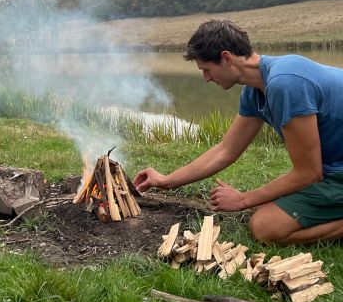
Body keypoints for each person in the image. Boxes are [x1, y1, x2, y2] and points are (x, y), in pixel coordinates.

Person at [133, 19, 343, 245]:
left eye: (206, 69)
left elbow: (308, 173)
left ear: (226, 58)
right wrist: (166, 181)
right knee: (265, 206)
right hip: (332, 169)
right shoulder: (255, 90)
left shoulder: (285, 84)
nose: (206, 79)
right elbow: (226, 150)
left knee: (265, 226)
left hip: (330, 172)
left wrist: (243, 199)